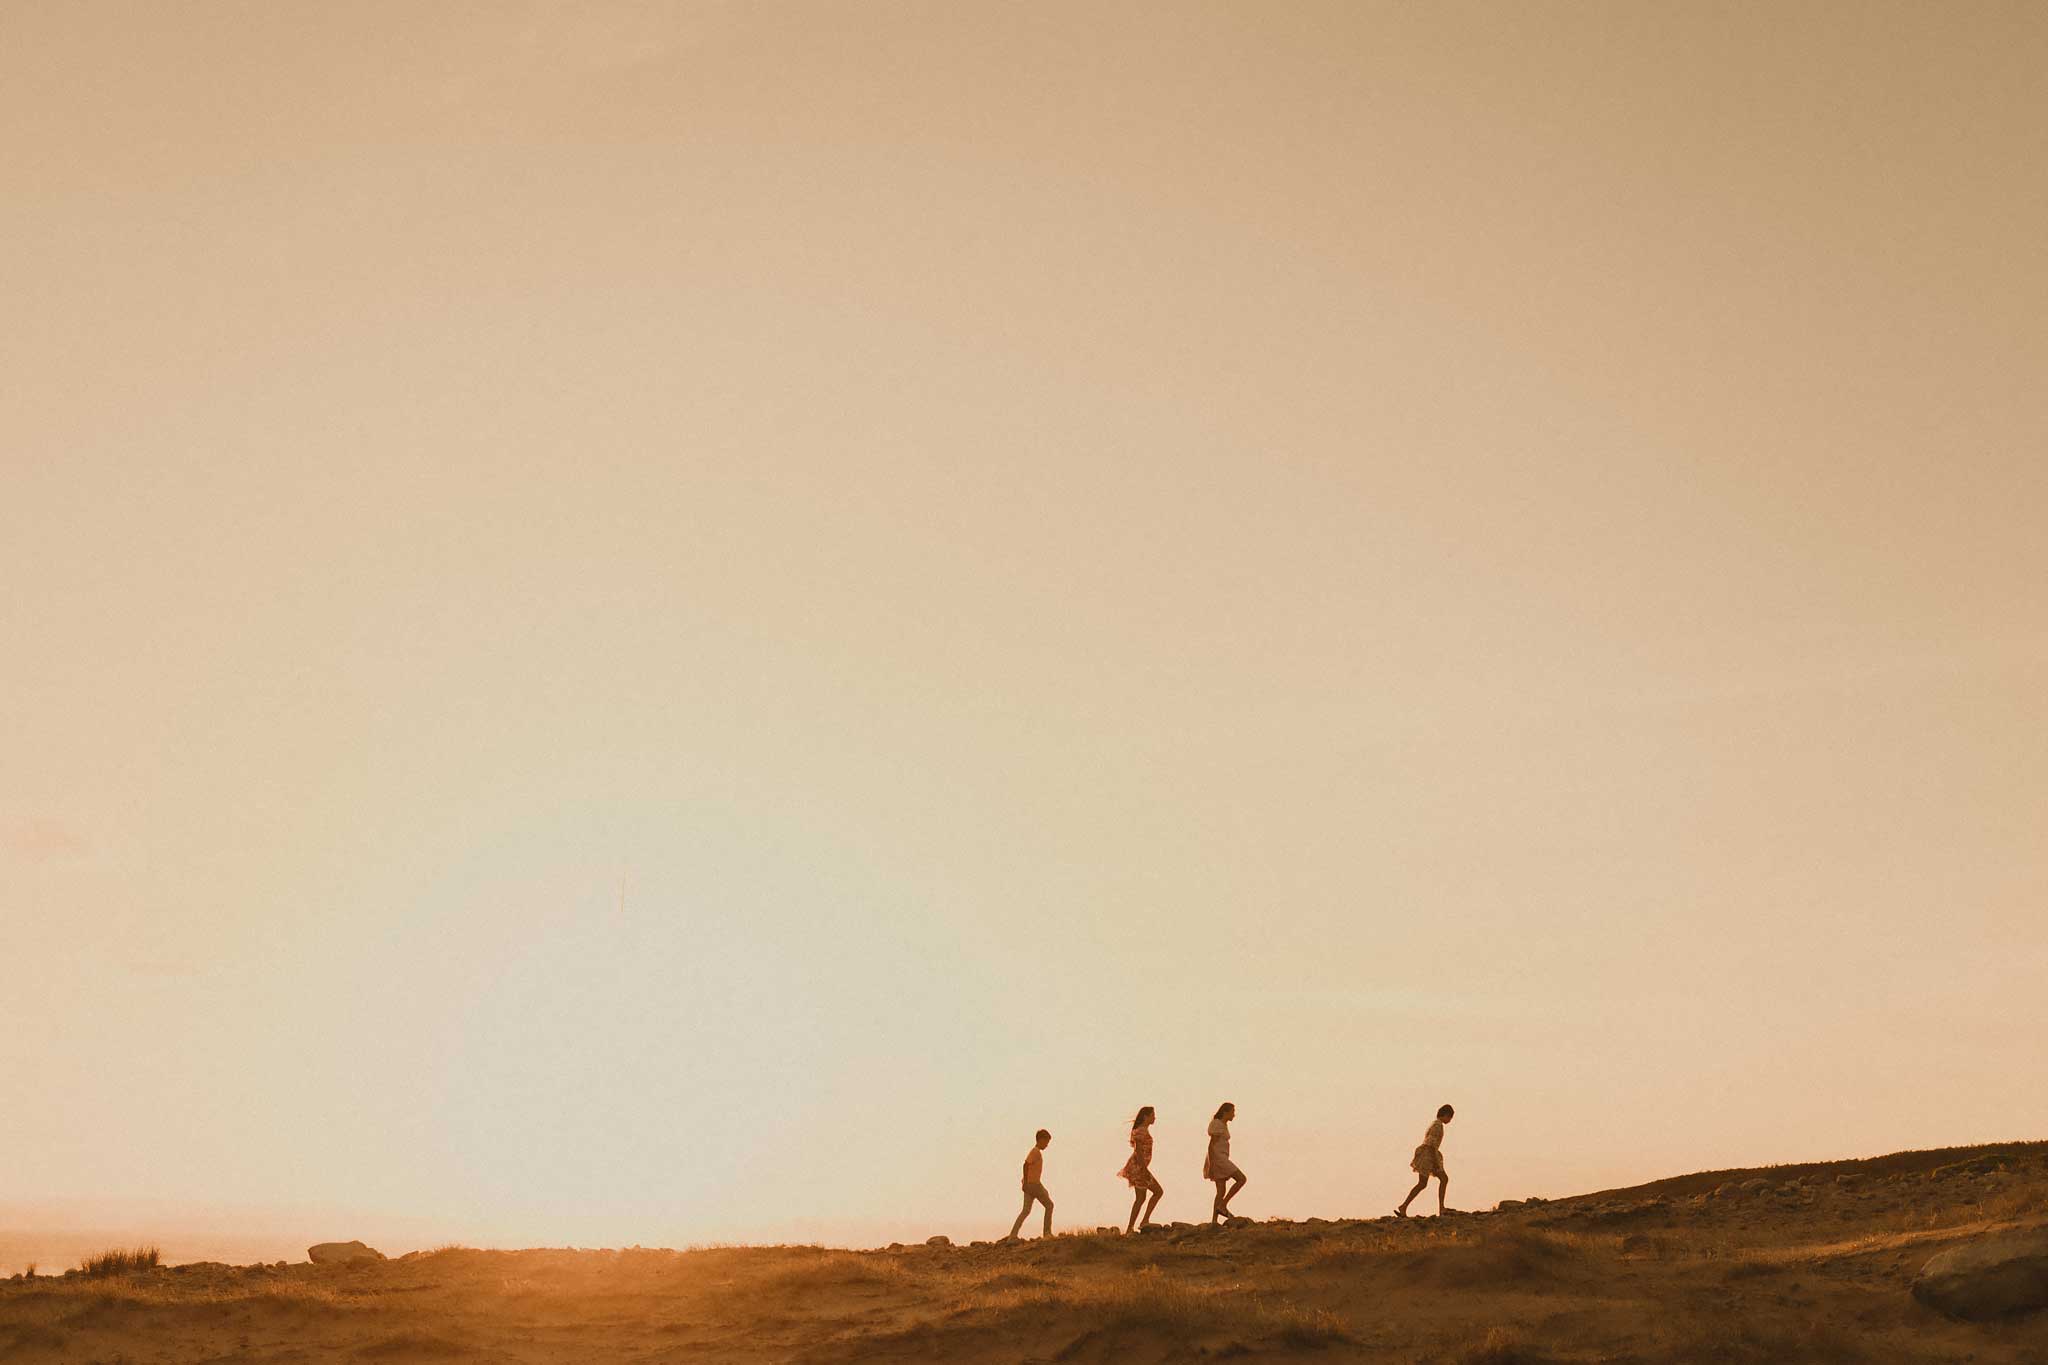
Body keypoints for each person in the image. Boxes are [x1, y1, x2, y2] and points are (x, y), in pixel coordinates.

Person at [1397, 1104, 1455, 1217]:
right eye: (1450, 1117)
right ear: (1446, 1115)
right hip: (1428, 1156)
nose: (1450, 1120)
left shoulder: (1435, 1124)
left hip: (1427, 1154)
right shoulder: (1438, 1125)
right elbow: (1432, 1145)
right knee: (1443, 1179)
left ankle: (1404, 1206)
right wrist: (1436, 1162)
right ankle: (1441, 1208)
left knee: (1423, 1183)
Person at [1119, 1106, 1164, 1232]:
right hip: (1138, 1168)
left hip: (1139, 1167)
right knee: (1157, 1192)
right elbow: (1138, 1151)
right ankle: (1140, 1222)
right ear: (1146, 1117)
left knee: (1141, 1198)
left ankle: (1134, 1225)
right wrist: (1144, 1169)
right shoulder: (1140, 1131)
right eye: (1152, 1115)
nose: (1154, 1117)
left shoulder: (1142, 1130)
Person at [1204, 1102, 1247, 1223]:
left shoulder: (1222, 1124)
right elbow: (1211, 1145)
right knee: (1241, 1179)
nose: (1234, 1114)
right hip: (1218, 1158)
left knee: (1221, 1190)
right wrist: (1212, 1163)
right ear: (1225, 1112)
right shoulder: (1217, 1124)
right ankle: (1223, 1205)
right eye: (1232, 1112)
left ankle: (1214, 1220)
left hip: (1221, 1157)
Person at [1008, 1129, 1054, 1239]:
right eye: (1046, 1142)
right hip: (1034, 1185)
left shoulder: (1035, 1152)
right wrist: (1026, 1182)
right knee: (1049, 1205)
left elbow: (1029, 1168)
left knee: (1025, 1211)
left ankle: (1012, 1236)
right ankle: (1047, 1233)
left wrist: (1025, 1183)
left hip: (1031, 1185)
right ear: (1041, 1140)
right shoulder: (1035, 1152)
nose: (1047, 1145)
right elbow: (1026, 1164)